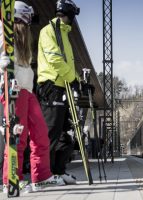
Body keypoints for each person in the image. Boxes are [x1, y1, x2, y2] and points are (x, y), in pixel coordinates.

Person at [0, 1, 65, 193]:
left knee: (40, 133)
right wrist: (2, 63)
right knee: (17, 135)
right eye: (26, 23)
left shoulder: (23, 41)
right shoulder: (4, 33)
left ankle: (42, 176)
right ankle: (10, 178)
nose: (28, 28)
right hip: (14, 90)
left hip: (28, 90)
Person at [36, 0, 80, 184]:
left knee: (66, 134)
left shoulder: (63, 33)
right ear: (69, 16)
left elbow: (67, 64)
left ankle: (59, 171)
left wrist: (77, 80)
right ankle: (46, 174)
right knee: (51, 133)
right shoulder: (49, 31)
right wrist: (73, 78)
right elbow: (54, 60)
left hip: (63, 86)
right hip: (51, 86)